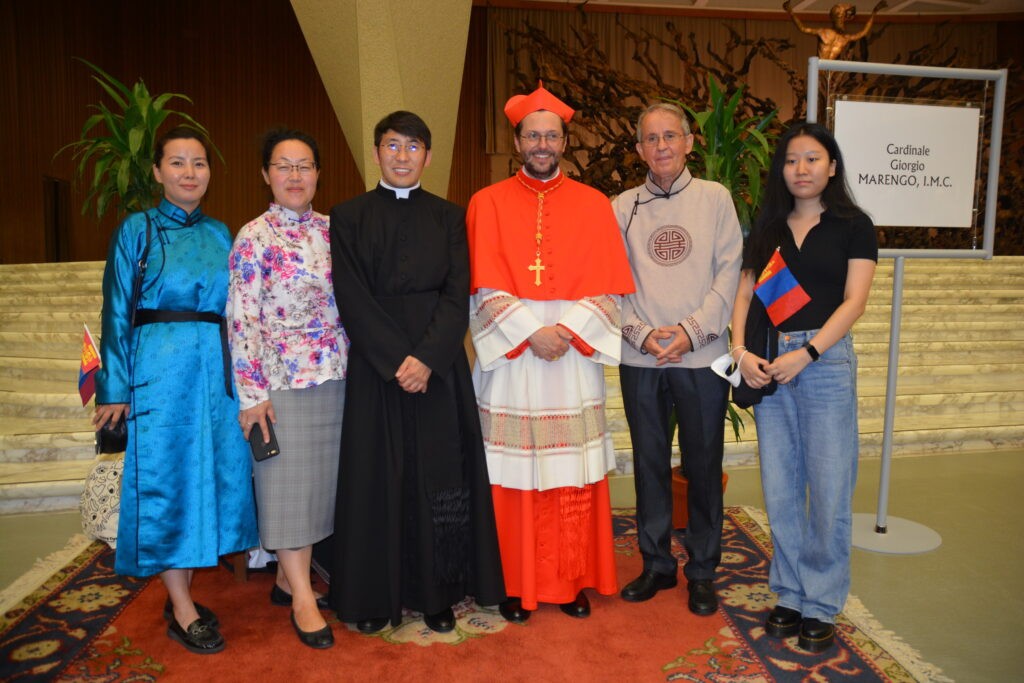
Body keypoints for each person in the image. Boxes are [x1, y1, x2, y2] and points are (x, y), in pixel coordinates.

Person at [328, 111, 505, 634]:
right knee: (377, 478)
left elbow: (457, 295)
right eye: (392, 146)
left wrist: (426, 358)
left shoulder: (450, 217)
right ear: (376, 152)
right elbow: (351, 296)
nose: (402, 156)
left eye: (413, 147)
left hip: (439, 366)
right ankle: (374, 597)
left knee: (438, 477)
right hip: (376, 368)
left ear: (428, 156)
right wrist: (395, 361)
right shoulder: (348, 215)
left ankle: (439, 594)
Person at [467, 84, 635, 623]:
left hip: (571, 356)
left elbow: (610, 289)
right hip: (515, 358)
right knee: (511, 473)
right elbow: (479, 289)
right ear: (516, 141)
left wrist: (564, 332)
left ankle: (569, 581)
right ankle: (513, 581)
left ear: (565, 141)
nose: (542, 144)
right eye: (532, 135)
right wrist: (529, 332)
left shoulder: (592, 204)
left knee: (570, 470)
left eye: (552, 135)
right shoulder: (485, 202)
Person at [92, 126, 258, 655]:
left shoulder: (221, 233)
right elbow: (117, 310)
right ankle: (181, 607)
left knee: (209, 476)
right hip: (157, 372)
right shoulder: (136, 229)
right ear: (158, 171)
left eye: (200, 163)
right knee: (166, 479)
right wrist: (114, 389)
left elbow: (241, 309)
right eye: (179, 163)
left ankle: (181, 592)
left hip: (216, 371)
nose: (190, 173)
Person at [730, 122, 876, 653]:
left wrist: (809, 353)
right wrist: (741, 351)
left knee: (830, 487)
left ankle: (821, 602)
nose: (802, 169)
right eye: (792, 160)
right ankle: (789, 594)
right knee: (782, 486)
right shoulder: (767, 227)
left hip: (825, 361)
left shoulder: (854, 226)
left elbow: (854, 301)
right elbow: (743, 296)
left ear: (832, 166)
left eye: (812, 159)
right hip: (767, 359)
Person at [612, 103, 742, 615]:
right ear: (639, 148)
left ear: (690, 143)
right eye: (651, 138)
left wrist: (690, 333)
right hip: (641, 357)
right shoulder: (621, 206)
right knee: (648, 464)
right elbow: (608, 281)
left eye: (671, 136)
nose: (661, 145)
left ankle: (704, 570)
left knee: (704, 464)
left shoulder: (715, 199)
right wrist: (642, 335)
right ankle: (656, 564)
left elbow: (730, 270)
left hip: (702, 357)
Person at [227, 129, 348, 649]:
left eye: (305, 166)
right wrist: (252, 394)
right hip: (280, 383)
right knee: (288, 489)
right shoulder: (253, 236)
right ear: (265, 175)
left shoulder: (334, 230)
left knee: (324, 487)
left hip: (339, 378)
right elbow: (242, 320)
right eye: (284, 166)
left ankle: (286, 578)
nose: (295, 176)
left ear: (319, 173)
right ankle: (301, 596)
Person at [783, 0, 888, 61]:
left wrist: (874, 12)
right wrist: (791, 12)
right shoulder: (824, 32)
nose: (840, 20)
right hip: (818, 69)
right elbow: (803, 28)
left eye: (842, 18)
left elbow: (863, 32)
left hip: (831, 72)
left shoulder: (845, 38)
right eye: (839, 18)